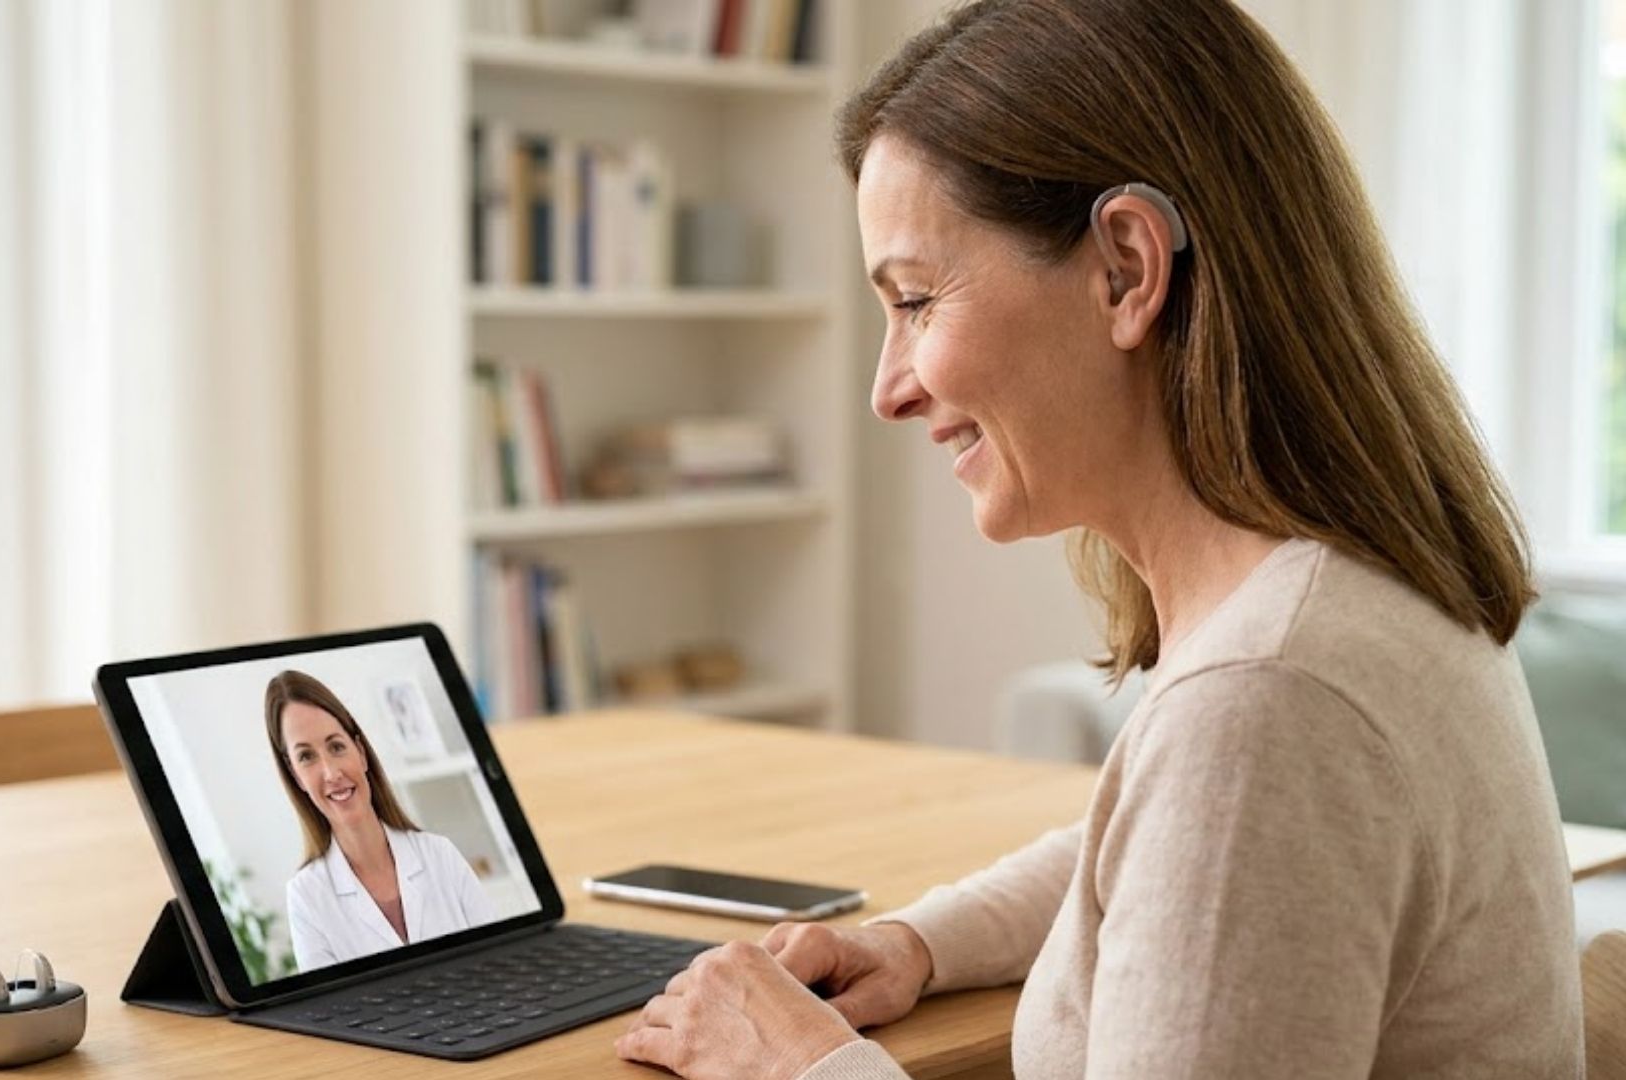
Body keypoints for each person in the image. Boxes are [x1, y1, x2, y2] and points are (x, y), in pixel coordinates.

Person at [613, 1, 1584, 1076]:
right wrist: (919, 940)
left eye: (918, 300)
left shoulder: (1268, 701)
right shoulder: (1344, 603)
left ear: (1125, 268)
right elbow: (1175, 864)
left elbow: (1219, 824)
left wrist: (800, 1065)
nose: (887, 389)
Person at [266, 669, 496, 971]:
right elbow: (331, 1010)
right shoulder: (307, 896)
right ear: (296, 775)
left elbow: (498, 961)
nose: (331, 773)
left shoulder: (439, 854)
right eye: (307, 757)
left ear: (360, 752)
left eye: (336, 747)